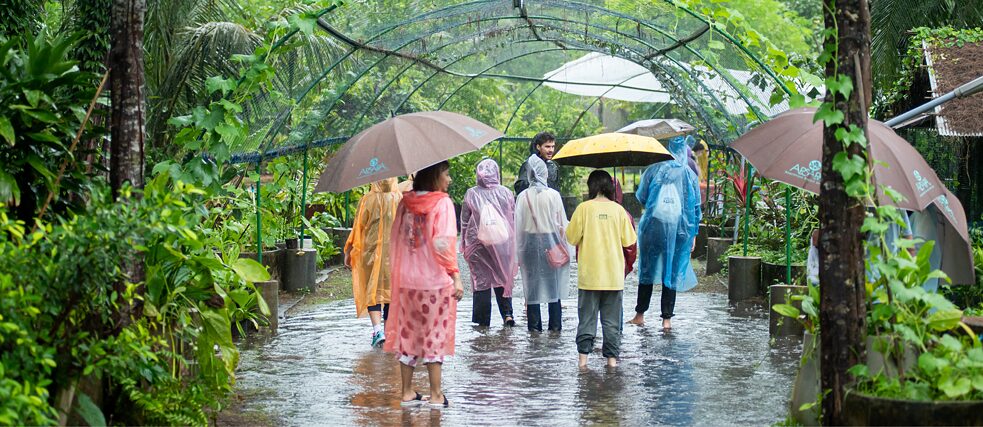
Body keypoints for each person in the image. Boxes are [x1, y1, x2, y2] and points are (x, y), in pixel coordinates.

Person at [384, 161, 464, 408]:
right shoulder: (442, 203)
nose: (449, 180)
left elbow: (396, 239)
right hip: (433, 283)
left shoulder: (405, 202)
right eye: (447, 174)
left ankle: (407, 392)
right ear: (435, 176)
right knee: (434, 335)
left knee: (408, 333)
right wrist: (455, 275)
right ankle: (436, 395)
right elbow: (443, 244)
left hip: (407, 281)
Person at [629, 135, 702, 330]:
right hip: (680, 231)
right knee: (672, 271)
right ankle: (666, 320)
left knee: (647, 270)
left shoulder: (653, 170)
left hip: (653, 228)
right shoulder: (689, 175)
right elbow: (696, 207)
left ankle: (640, 314)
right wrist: (693, 234)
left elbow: (642, 197)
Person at [566, 170, 637, 368]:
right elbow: (630, 241)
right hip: (613, 276)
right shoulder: (619, 210)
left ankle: (583, 363)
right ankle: (612, 363)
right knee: (612, 323)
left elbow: (571, 237)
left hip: (589, 276)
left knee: (586, 320)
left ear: (591, 186)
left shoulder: (583, 209)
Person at [515, 154, 571, 332]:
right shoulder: (553, 195)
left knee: (532, 287)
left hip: (529, 243)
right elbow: (562, 225)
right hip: (551, 241)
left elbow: (519, 226)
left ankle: (534, 329)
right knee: (552, 285)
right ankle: (555, 327)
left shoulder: (522, 197)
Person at [344, 177, 402, 347]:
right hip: (395, 254)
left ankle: (378, 330)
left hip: (371, 253)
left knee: (373, 290)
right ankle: (389, 332)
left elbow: (358, 228)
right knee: (391, 292)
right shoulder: (400, 198)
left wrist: (348, 251)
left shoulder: (367, 200)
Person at [460, 159, 518, 327]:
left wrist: (464, 244)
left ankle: (482, 323)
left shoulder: (472, 193)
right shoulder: (506, 193)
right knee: (502, 278)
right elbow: (512, 219)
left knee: (481, 282)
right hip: (502, 244)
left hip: (478, 246)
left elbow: (464, 222)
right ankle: (507, 314)